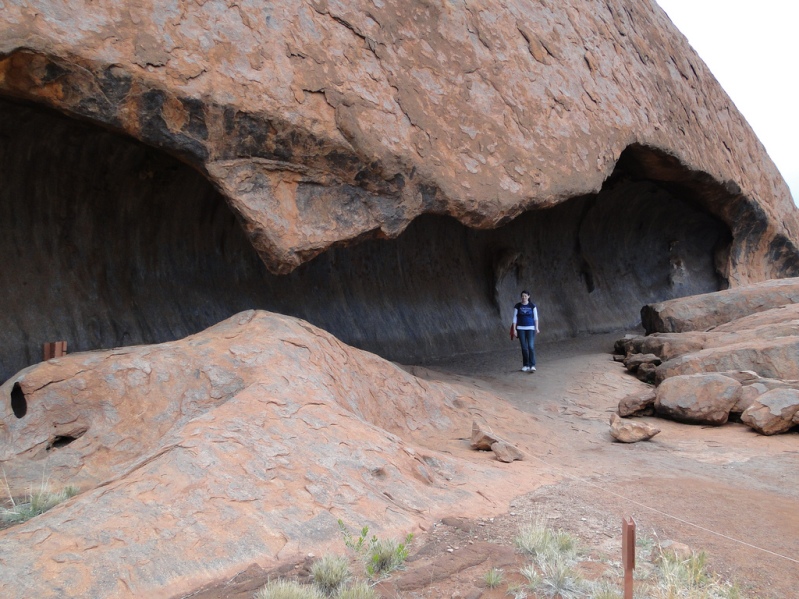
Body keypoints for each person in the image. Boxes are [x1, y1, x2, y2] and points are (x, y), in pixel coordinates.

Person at [511, 290, 539, 372]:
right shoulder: (518, 306)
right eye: (522, 296)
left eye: (525, 296)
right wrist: (514, 329)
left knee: (530, 346)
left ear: (528, 296)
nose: (524, 297)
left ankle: (532, 364)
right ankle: (526, 364)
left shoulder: (532, 306)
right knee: (524, 347)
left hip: (530, 328)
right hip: (520, 328)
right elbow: (514, 318)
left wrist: (537, 328)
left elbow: (536, 318)